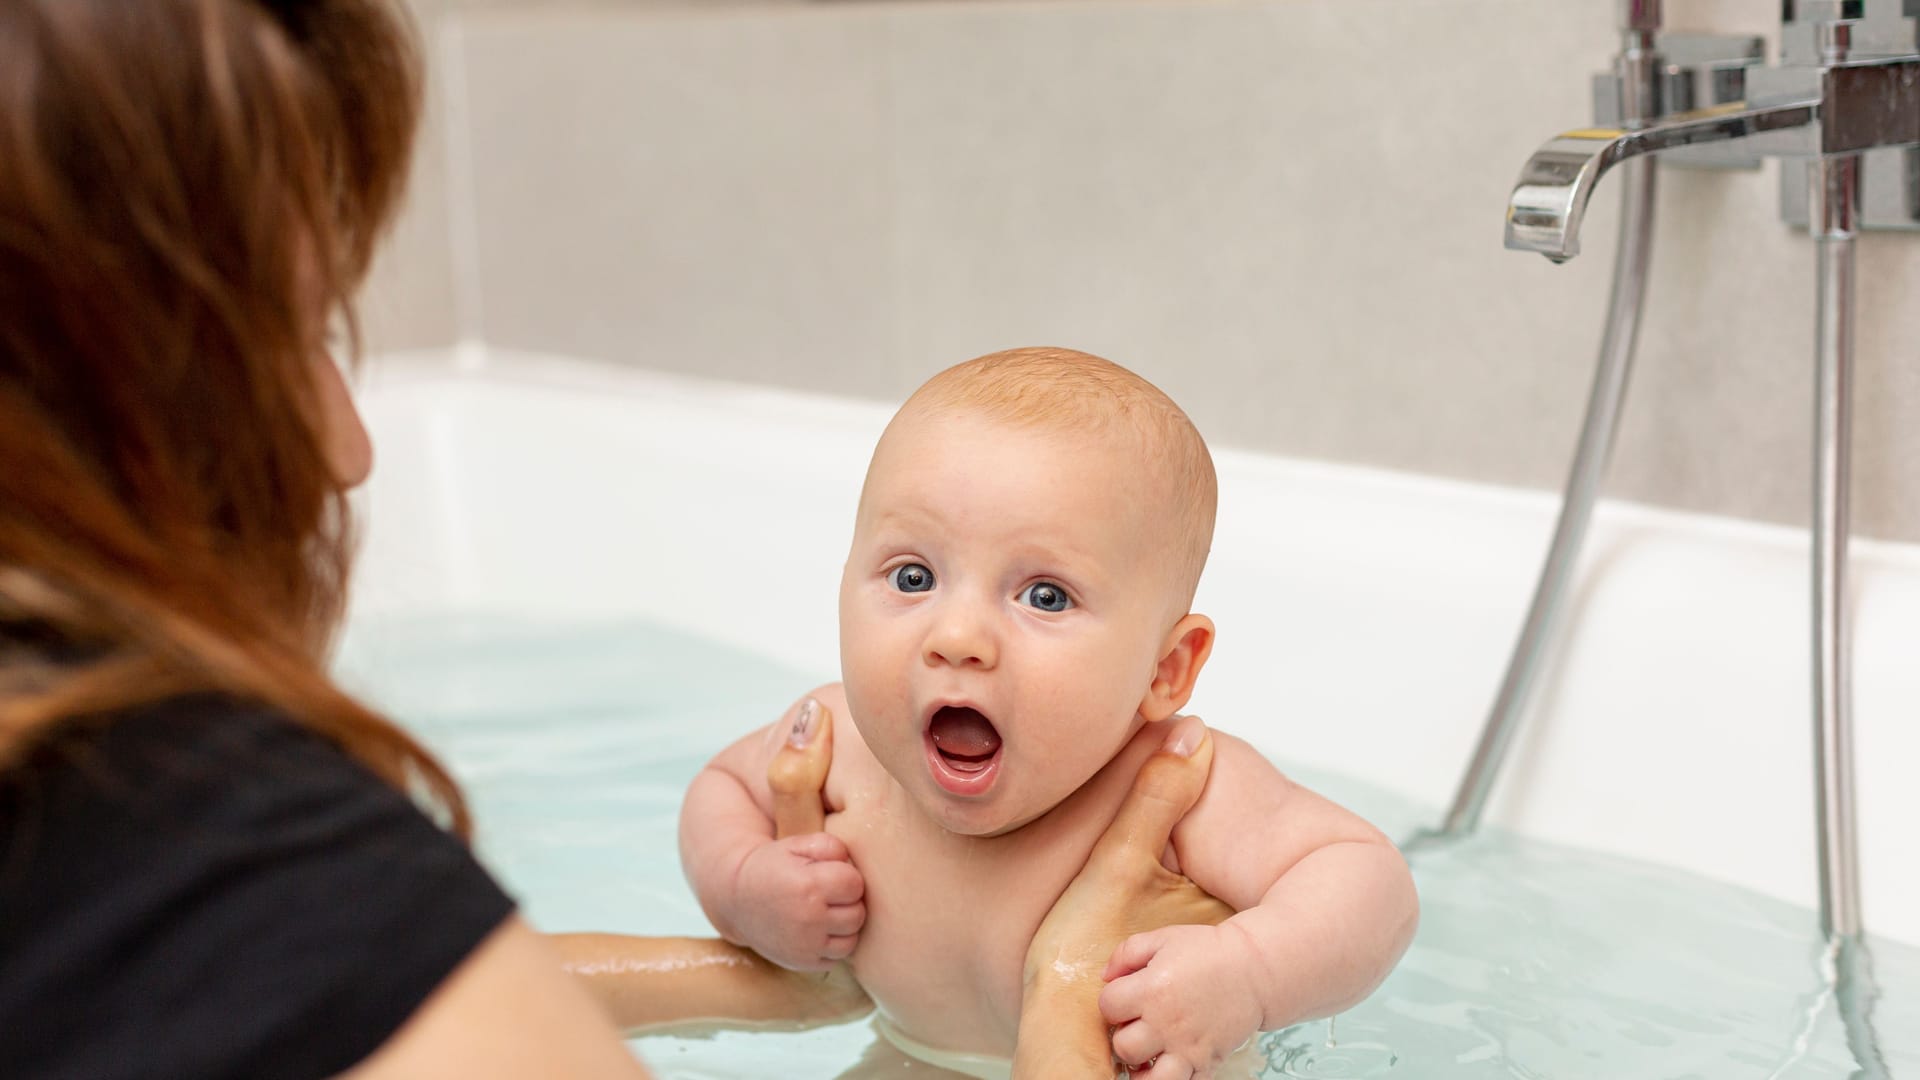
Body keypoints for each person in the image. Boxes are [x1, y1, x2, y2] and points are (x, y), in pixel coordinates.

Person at [0, 3, 1250, 1077]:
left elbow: (1357, 891)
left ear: (1167, 666)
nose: (351, 450)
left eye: (1045, 597)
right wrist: (1064, 988)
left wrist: (760, 975)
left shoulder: (119, 849)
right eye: (299, 344)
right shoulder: (204, 842)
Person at [681, 348, 1422, 1078]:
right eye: (914, 577)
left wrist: (1248, 974)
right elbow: (724, 786)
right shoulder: (839, 744)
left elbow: (1367, 878)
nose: (958, 638)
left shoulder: (1176, 785)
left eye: (1045, 596)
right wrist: (745, 885)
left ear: (1166, 670)